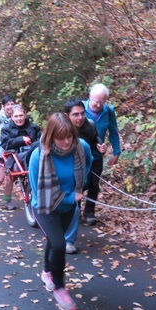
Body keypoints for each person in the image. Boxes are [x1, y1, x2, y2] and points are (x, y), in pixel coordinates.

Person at [28, 112, 93, 310]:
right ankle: (59, 287)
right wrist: (69, 197)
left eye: (70, 136)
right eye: (61, 137)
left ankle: (47, 271)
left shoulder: (81, 147)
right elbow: (38, 194)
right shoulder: (39, 156)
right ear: (50, 136)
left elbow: (88, 164)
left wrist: (80, 188)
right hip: (45, 207)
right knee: (59, 243)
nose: (66, 142)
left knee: (53, 240)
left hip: (67, 207)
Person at [63, 98, 106, 254]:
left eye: (82, 114)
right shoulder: (60, 128)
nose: (80, 118)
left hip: (88, 161)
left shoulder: (90, 124)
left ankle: (88, 213)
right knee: (73, 198)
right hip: (67, 165)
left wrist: (100, 146)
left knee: (92, 186)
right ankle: (68, 237)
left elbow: (96, 138)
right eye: (75, 115)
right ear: (67, 115)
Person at [83, 83, 121, 225]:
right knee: (79, 182)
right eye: (96, 101)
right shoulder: (80, 109)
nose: (98, 105)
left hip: (97, 155)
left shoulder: (108, 111)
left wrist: (116, 152)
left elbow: (113, 132)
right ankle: (73, 209)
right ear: (90, 96)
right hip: (79, 154)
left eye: (102, 102)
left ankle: (89, 213)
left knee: (94, 184)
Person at [0, 105, 42, 209]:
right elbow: (5, 144)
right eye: (16, 116)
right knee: (9, 178)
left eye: (21, 116)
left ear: (25, 115)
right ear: (12, 117)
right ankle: (6, 201)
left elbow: (40, 142)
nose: (19, 118)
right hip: (15, 156)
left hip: (33, 153)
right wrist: (21, 139)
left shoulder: (34, 127)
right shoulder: (6, 129)